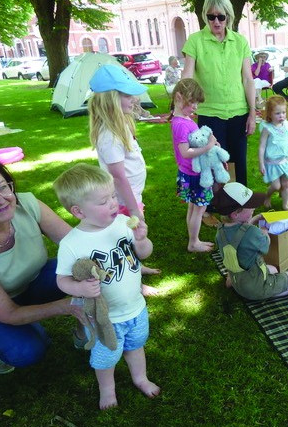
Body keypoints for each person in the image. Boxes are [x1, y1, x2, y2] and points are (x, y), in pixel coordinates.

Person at [54, 164, 159, 410]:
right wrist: (80, 290)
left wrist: (142, 240)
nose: (113, 203)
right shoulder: (72, 243)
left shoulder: (123, 223)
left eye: (113, 196)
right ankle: (107, 391)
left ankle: (140, 378)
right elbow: (62, 280)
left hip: (135, 308)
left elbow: (143, 254)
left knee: (135, 345)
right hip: (104, 319)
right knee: (106, 358)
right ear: (79, 211)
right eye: (103, 201)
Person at [0, 160, 84, 375]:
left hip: (32, 282)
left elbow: (76, 246)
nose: (0, 200)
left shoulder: (26, 204)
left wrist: (123, 265)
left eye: (3, 187)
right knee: (28, 350)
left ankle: (83, 331)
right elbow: (8, 313)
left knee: (81, 271)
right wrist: (68, 306)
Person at [88, 64, 161, 286]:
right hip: (122, 203)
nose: (134, 99)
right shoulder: (109, 135)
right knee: (125, 240)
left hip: (131, 197)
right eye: (127, 95)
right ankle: (134, 281)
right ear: (110, 99)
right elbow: (118, 177)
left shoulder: (121, 124)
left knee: (132, 238)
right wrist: (132, 210)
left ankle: (137, 267)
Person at [182, 0, 255, 186]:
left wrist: (252, 113)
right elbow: (187, 75)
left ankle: (239, 206)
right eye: (211, 16)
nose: (216, 21)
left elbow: (248, 79)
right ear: (205, 16)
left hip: (239, 112)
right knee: (212, 161)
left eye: (221, 17)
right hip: (209, 113)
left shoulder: (240, 42)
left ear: (228, 17)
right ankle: (214, 207)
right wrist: (183, 105)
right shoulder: (195, 40)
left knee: (238, 161)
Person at [211, 182, 288, 300]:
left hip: (237, 278)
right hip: (254, 287)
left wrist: (255, 218)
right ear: (235, 214)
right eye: (249, 206)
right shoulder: (252, 232)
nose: (253, 207)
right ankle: (266, 294)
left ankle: (232, 282)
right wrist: (264, 230)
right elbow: (265, 245)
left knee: (274, 269)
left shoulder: (220, 232)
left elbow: (239, 233)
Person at [170, 79, 220, 252]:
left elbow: (196, 140)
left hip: (190, 171)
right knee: (200, 208)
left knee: (194, 206)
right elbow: (185, 152)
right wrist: (209, 147)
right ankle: (193, 243)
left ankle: (194, 238)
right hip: (194, 173)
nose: (195, 107)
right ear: (179, 97)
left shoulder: (185, 119)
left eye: (197, 103)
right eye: (192, 102)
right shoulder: (181, 124)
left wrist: (212, 143)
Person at [259, 96, 288, 210]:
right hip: (272, 163)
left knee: (286, 184)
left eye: (283, 112)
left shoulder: (286, 126)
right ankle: (267, 196)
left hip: (285, 161)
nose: (281, 116)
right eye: (277, 113)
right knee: (276, 186)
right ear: (269, 114)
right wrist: (261, 163)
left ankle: (285, 206)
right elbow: (261, 147)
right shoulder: (267, 128)